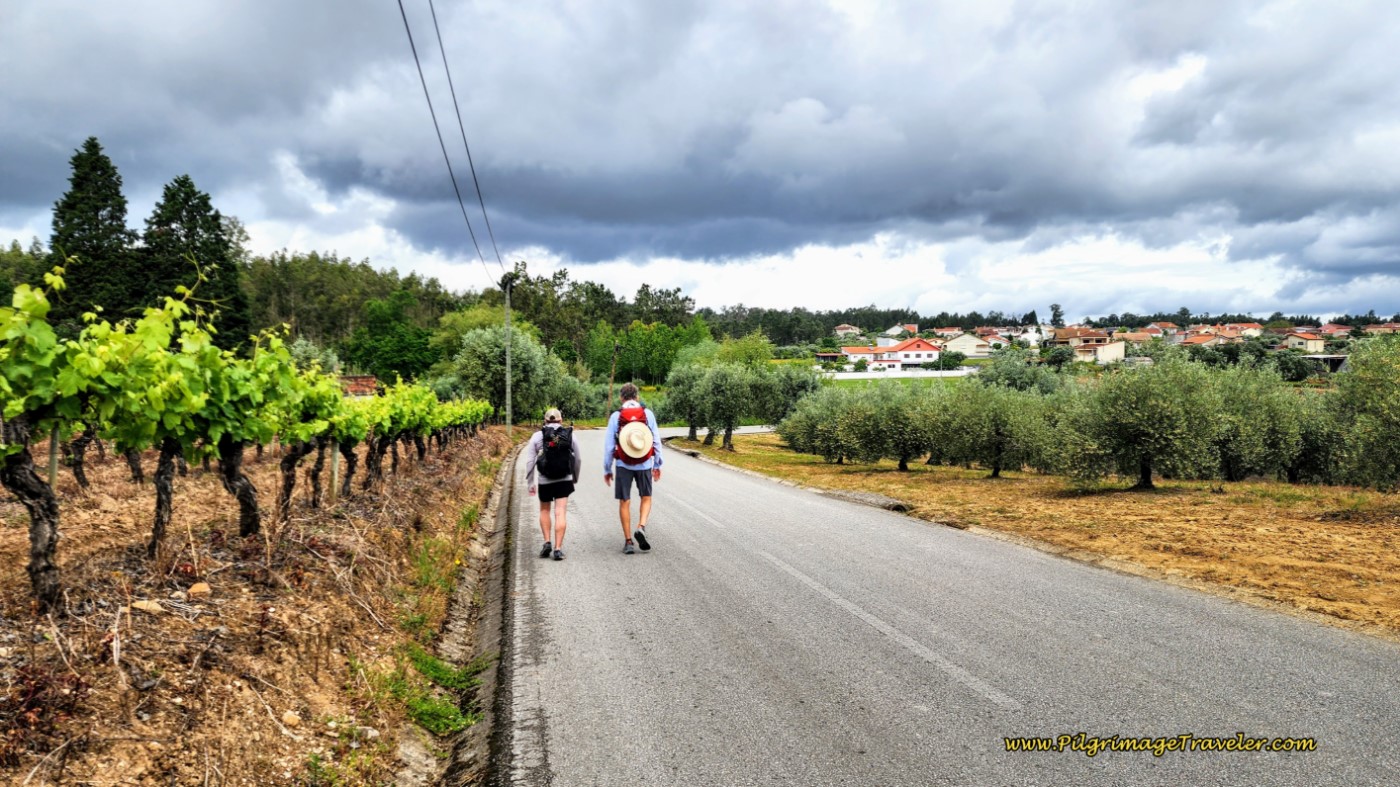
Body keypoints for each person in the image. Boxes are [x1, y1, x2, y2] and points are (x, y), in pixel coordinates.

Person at [603, 383, 663, 554]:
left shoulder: (616, 416)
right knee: (646, 497)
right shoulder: (647, 414)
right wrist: (657, 464)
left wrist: (607, 469)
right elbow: (656, 440)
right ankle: (641, 526)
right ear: (637, 397)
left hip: (623, 464)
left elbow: (608, 447)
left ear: (621, 398)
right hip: (644, 463)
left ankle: (628, 541)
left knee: (625, 501)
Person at [526, 408, 581, 560]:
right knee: (560, 512)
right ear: (561, 420)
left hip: (545, 480)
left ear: (545, 421)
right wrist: (574, 477)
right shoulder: (569, 435)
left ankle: (547, 541)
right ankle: (557, 549)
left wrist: (531, 482)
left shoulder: (537, 436)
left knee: (544, 511)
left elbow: (530, 461)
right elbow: (578, 459)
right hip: (564, 479)